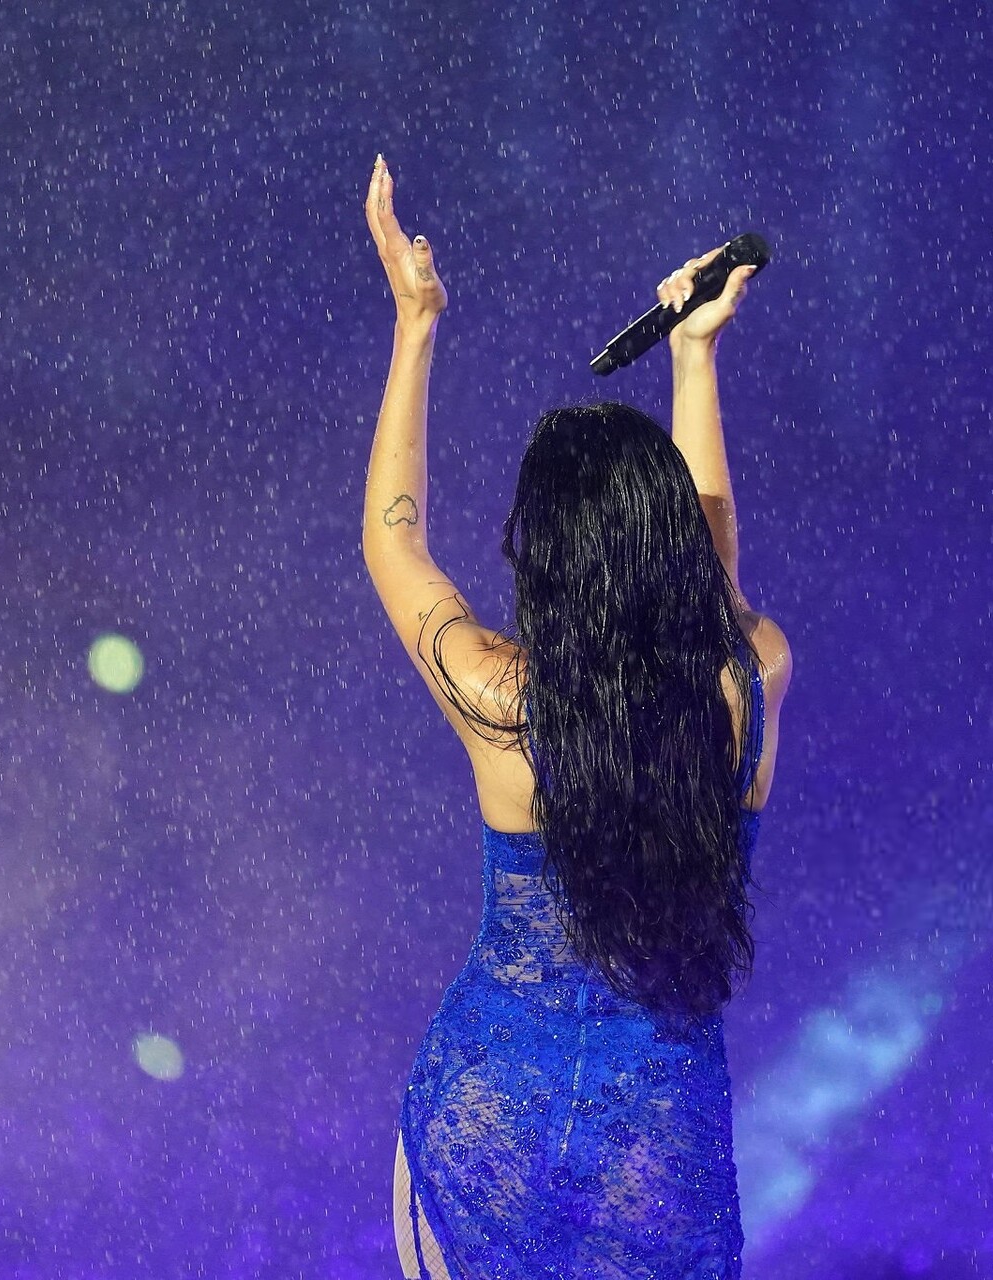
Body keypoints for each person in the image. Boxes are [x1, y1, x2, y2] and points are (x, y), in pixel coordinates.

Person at [360, 154, 793, 1278]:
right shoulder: (744, 684)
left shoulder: (504, 706)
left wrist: (416, 323)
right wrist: (693, 355)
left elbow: (395, 541)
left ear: (545, 561)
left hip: (487, 1129)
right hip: (656, 1153)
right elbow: (712, 583)